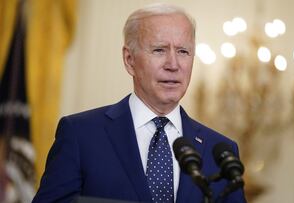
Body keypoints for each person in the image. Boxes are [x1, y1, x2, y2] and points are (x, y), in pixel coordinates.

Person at [32, 3, 247, 203]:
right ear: (129, 60)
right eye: (159, 50)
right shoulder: (81, 135)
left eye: (183, 51)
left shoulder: (221, 151)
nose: (173, 64)